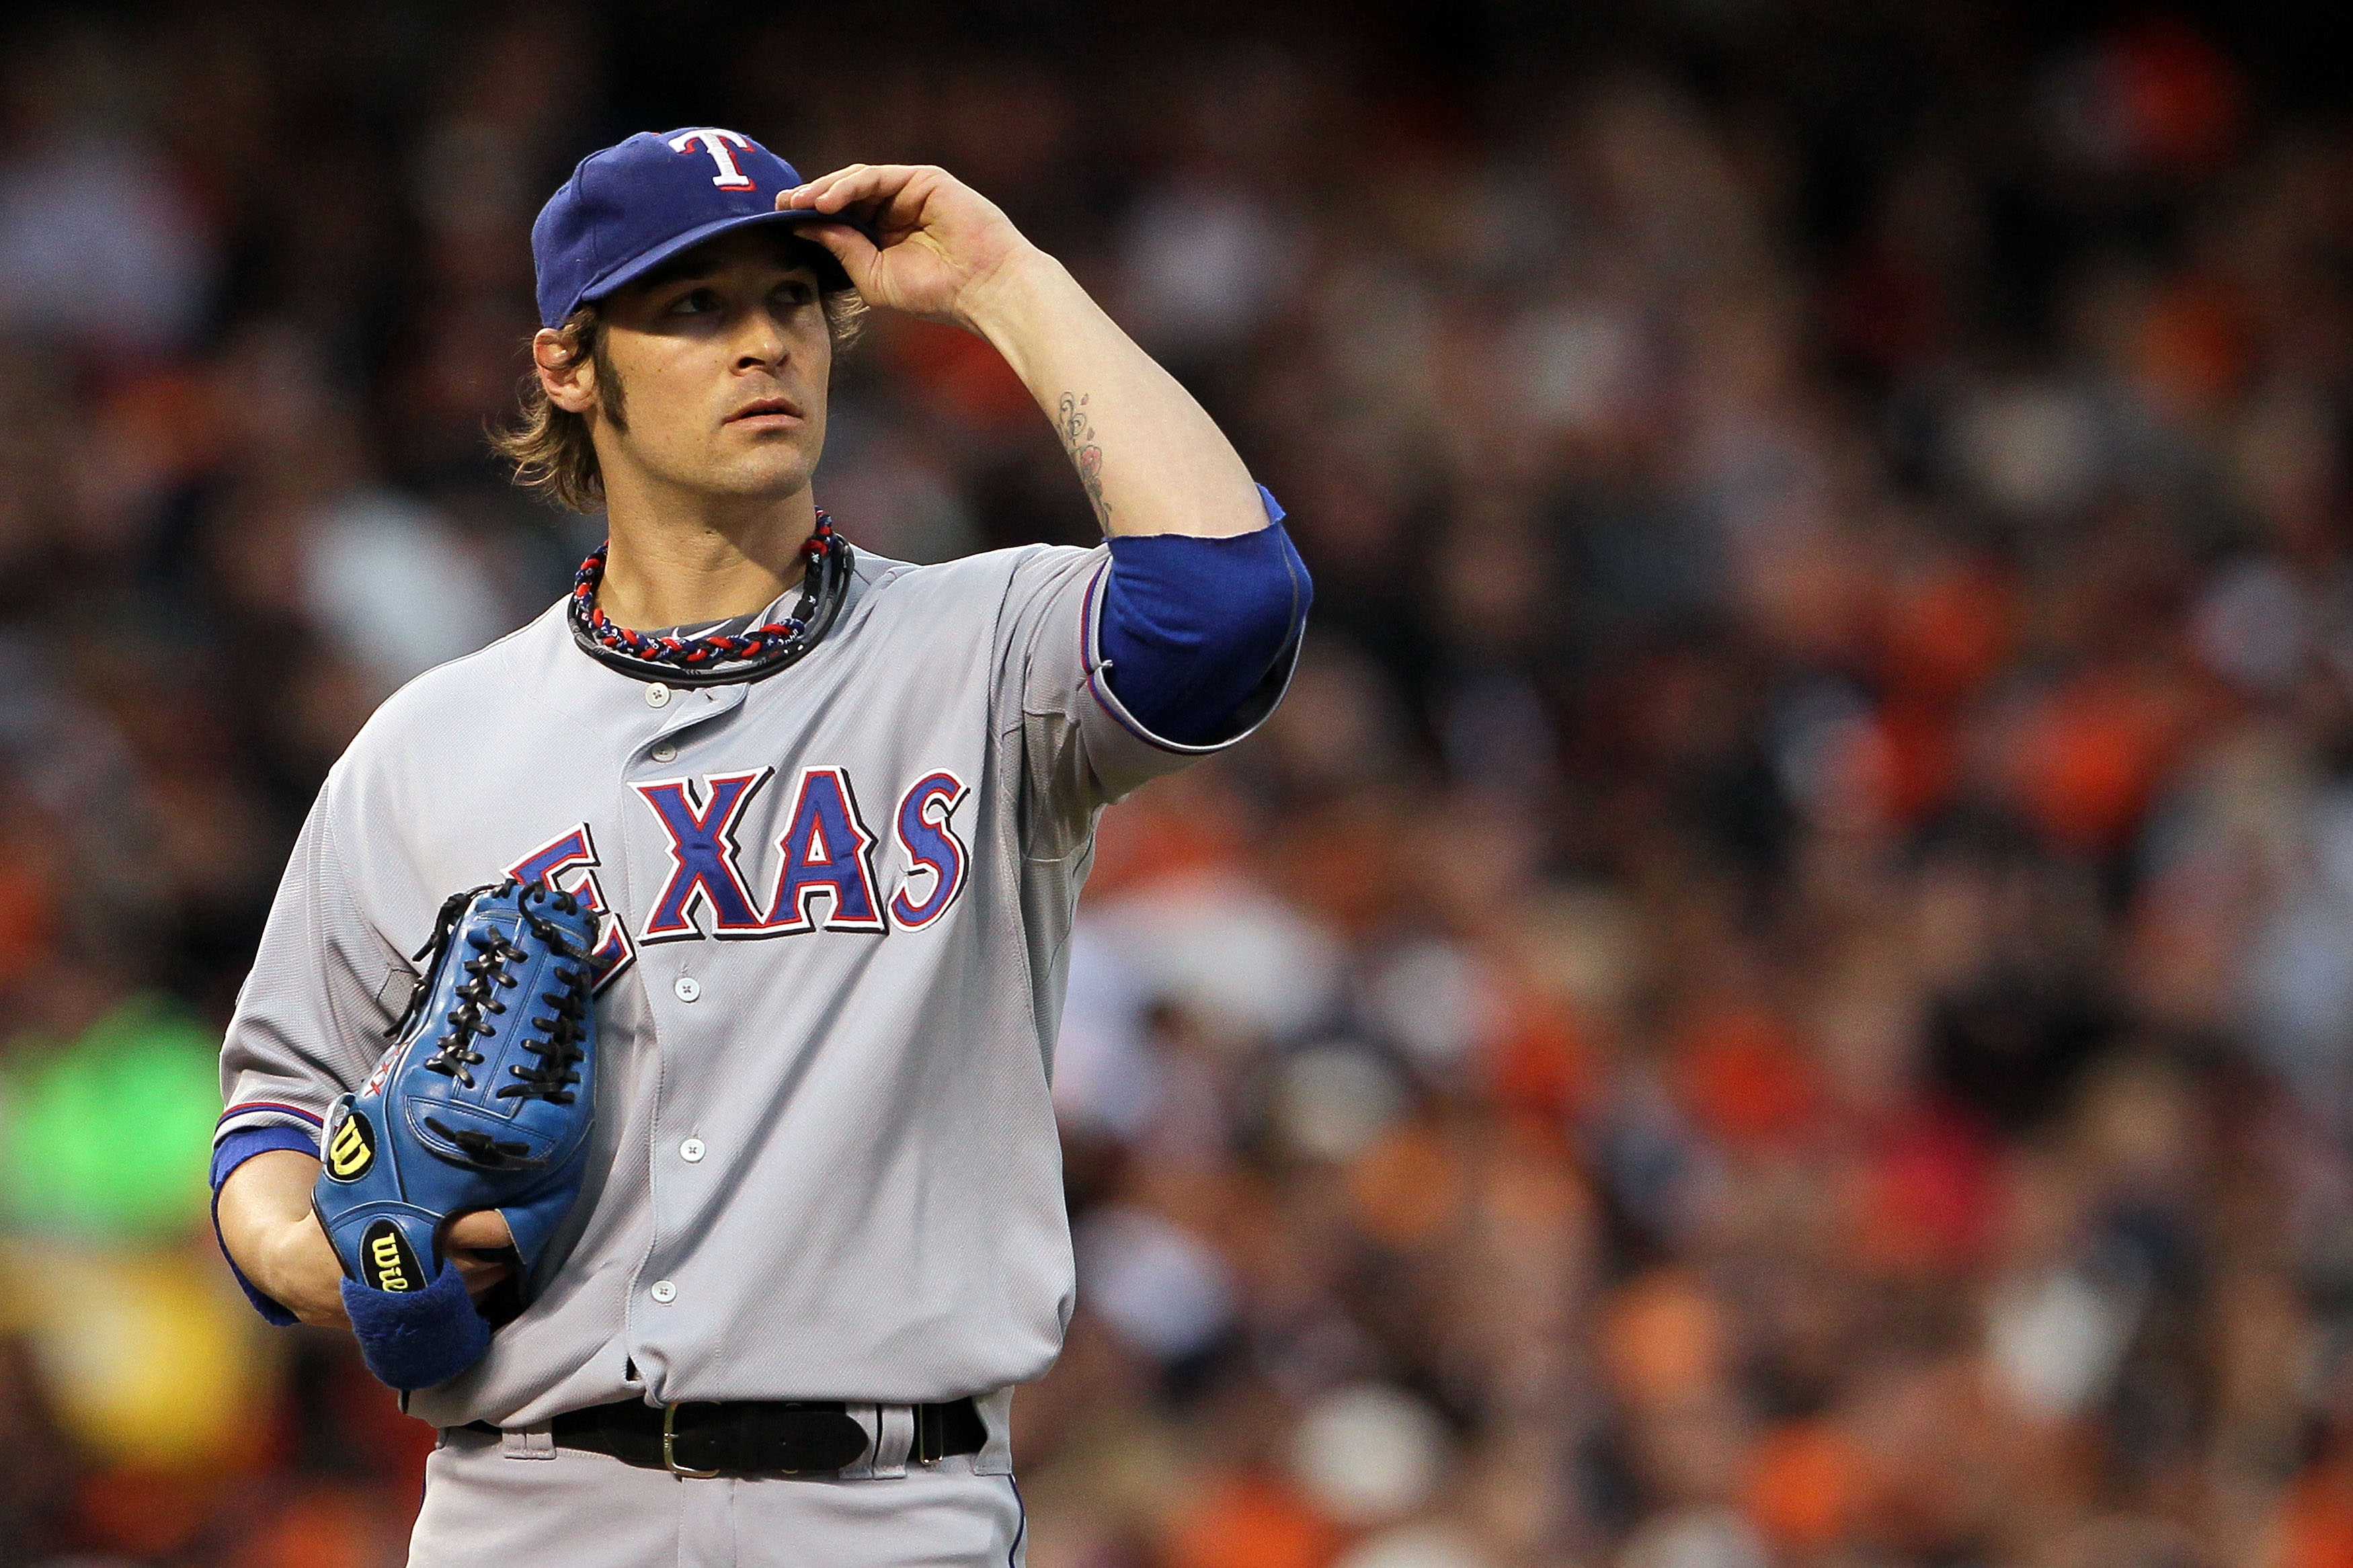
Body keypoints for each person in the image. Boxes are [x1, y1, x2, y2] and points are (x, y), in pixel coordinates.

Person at [208, 128, 1310, 1566]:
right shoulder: (432, 744)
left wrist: (1004, 278)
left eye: (790, 301)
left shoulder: (979, 655)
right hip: (530, 1511)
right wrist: (337, 1255)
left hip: (884, 1510)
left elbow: (1228, 607)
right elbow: (273, 1120)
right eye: (693, 310)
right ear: (565, 367)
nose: (763, 347)